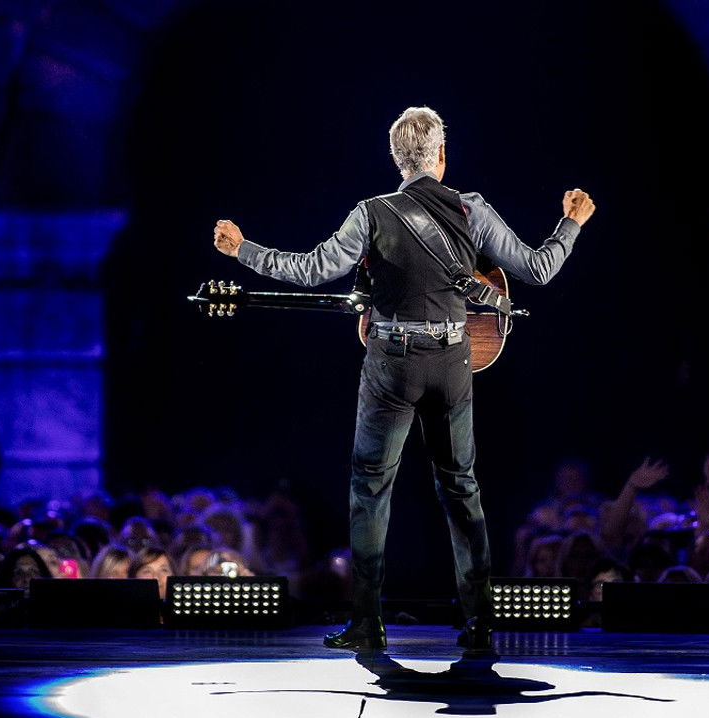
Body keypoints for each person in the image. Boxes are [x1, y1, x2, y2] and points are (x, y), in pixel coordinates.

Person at [212, 106, 595, 650]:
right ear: (441, 156)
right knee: (461, 488)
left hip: (391, 362)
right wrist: (571, 224)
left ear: (396, 160)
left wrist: (244, 250)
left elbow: (312, 270)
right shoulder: (473, 210)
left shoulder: (370, 213)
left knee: (370, 490)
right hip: (452, 359)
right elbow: (538, 269)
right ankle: (481, 622)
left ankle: (368, 623)